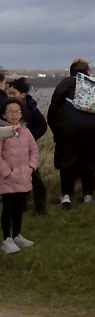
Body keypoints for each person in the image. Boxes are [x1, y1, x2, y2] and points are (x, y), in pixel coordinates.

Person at [47, 58, 95, 209]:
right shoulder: (93, 84)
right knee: (88, 161)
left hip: (68, 130)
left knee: (67, 162)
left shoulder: (65, 84)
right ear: (87, 71)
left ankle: (66, 195)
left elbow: (53, 110)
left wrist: (56, 131)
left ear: (71, 71)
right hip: (91, 129)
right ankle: (88, 194)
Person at [0, 99, 39, 254]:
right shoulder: (2, 132)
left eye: (18, 112)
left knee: (19, 207)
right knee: (8, 208)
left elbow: (34, 150)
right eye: (11, 112)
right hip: (7, 179)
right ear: (4, 114)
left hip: (24, 177)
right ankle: (6, 239)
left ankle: (17, 235)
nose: (15, 115)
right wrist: (6, 172)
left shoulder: (25, 131)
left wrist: (31, 167)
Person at [6, 78, 48, 215]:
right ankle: (20, 206)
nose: (10, 96)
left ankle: (40, 207)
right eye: (9, 93)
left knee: (35, 179)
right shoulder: (5, 109)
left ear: (23, 95)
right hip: (10, 151)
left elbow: (42, 126)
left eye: (13, 93)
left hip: (26, 152)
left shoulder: (31, 109)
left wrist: (29, 139)